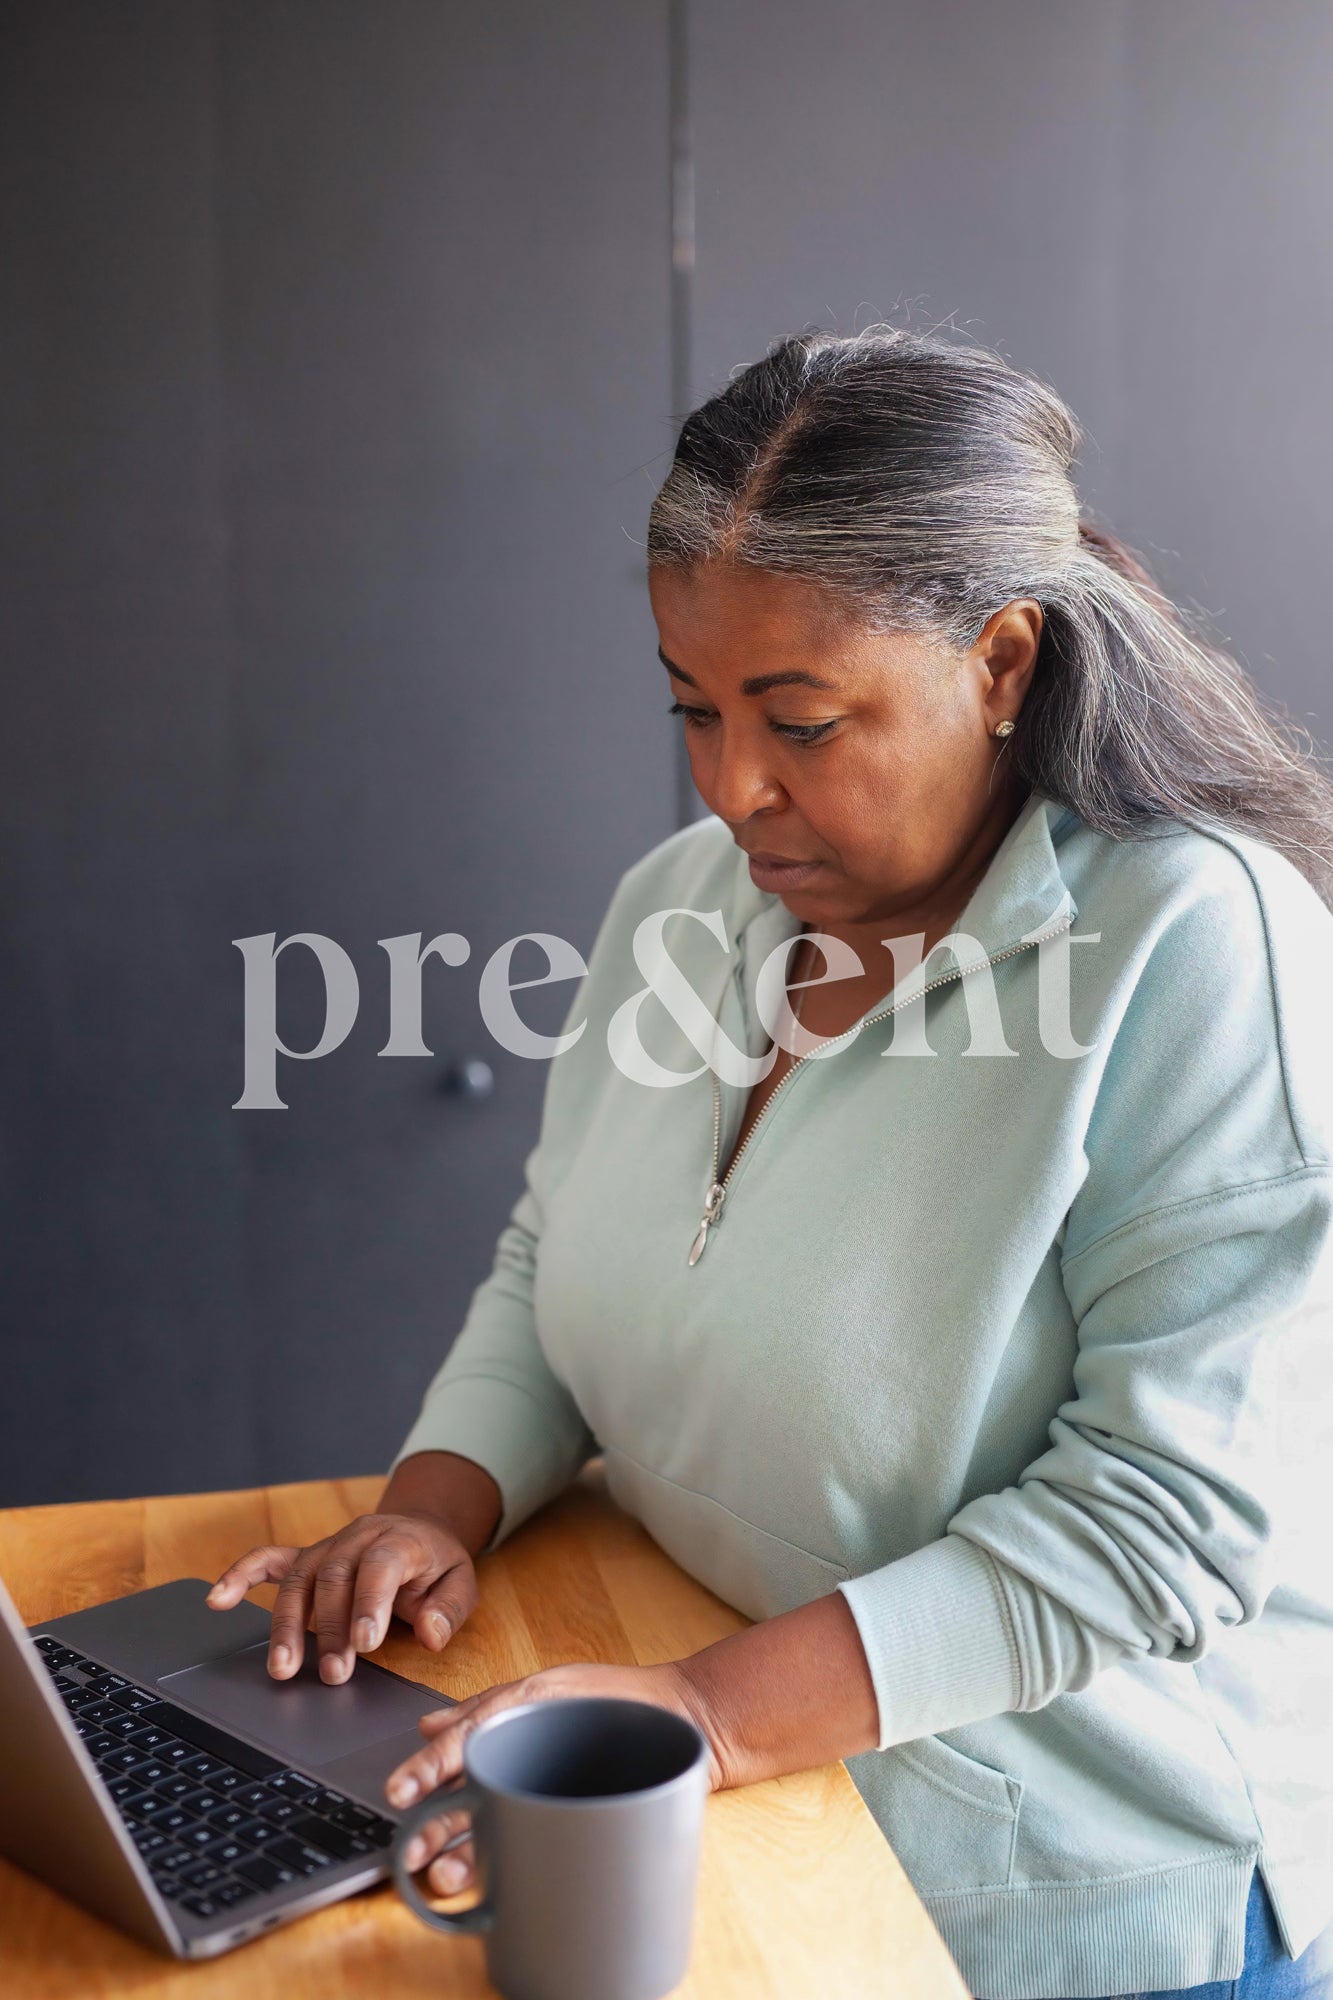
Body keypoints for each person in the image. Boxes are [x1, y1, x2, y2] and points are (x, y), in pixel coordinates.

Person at [208, 329, 1333, 2000]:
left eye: (800, 721)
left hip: (1080, 1884)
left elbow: (1156, 1524)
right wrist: (431, 1510)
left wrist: (705, 1716)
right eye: (692, 707)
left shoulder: (1195, 944)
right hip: (768, 1787)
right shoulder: (681, 908)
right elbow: (551, 1257)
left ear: (1001, 662)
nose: (732, 789)